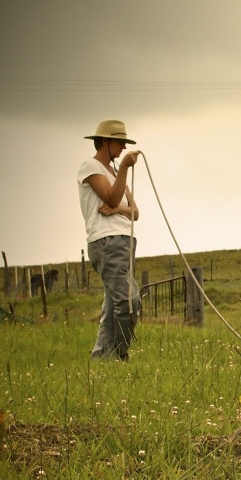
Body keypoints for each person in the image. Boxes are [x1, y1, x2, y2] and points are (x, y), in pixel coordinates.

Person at [78, 119, 141, 361]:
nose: (124, 148)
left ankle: (102, 359)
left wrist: (117, 211)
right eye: (120, 142)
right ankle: (119, 354)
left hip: (124, 241)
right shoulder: (90, 167)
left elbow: (134, 212)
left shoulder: (114, 173)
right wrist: (124, 167)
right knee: (128, 301)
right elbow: (112, 198)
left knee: (112, 307)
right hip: (107, 241)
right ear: (105, 141)